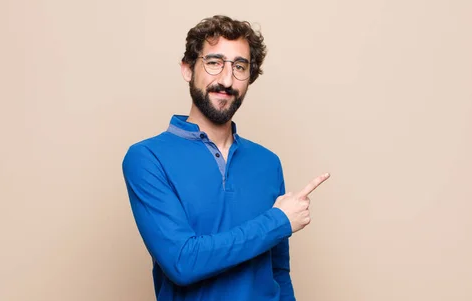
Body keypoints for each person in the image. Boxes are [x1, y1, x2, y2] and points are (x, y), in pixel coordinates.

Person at [122, 15, 330, 301]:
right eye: (214, 62)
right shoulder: (147, 158)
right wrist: (278, 220)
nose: (227, 80)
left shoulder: (268, 162)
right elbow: (182, 262)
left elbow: (278, 271)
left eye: (240, 67)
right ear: (187, 69)